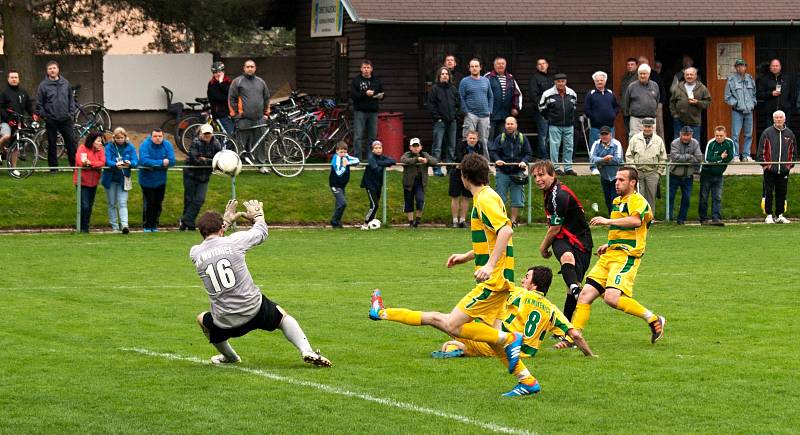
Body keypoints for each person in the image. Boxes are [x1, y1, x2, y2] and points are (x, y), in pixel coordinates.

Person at [370, 152, 526, 392]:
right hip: (501, 278)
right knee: (490, 337)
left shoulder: (484, 199)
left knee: (451, 325)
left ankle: (510, 338)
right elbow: (493, 238)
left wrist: (490, 266)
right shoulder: (487, 197)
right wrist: (468, 256)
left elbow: (505, 231)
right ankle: (527, 381)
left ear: (464, 177)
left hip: (494, 280)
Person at [190, 199, 331, 367]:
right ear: (221, 229)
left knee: (201, 319)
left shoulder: (195, 252)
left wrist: (226, 221)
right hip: (254, 309)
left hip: (225, 321)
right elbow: (261, 232)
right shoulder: (234, 242)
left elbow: (213, 242)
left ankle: (230, 357)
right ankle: (306, 350)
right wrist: (258, 215)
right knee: (283, 318)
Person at [432, 266, 595, 397]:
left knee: (451, 323)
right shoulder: (552, 309)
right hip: (525, 354)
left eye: (526, 277)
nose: (522, 280)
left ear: (534, 285)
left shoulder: (517, 293)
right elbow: (575, 335)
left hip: (503, 346)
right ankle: (459, 348)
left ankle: (455, 348)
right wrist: (590, 354)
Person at [570, 166, 666, 344]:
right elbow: (624, 230)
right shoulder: (617, 201)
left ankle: (653, 319)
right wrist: (610, 244)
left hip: (626, 257)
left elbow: (636, 221)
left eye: (621, 180)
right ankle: (572, 338)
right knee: (585, 295)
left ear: (633, 182)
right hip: (610, 255)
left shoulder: (638, 200)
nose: (617, 183)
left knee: (611, 298)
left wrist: (608, 221)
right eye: (616, 179)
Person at [532, 160, 593, 335]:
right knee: (567, 259)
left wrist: (543, 248)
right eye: (535, 176)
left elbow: (554, 228)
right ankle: (575, 288)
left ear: (553, 175)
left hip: (582, 242)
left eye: (542, 175)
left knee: (570, 289)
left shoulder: (558, 195)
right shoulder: (549, 192)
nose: (538, 179)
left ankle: (565, 329)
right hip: (563, 238)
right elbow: (556, 229)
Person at [489, 116, 532, 226]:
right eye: (508, 124)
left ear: (516, 125)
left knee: (517, 199)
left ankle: (513, 221)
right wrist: (497, 159)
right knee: (500, 198)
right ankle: (502, 220)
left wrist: (524, 161)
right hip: (503, 172)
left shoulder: (523, 138)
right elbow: (493, 152)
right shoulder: (500, 138)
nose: (510, 126)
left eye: (512, 124)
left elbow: (528, 153)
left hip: (517, 173)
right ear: (505, 125)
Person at [36, 60, 78, 170]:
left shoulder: (66, 83)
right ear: (47, 71)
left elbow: (71, 100)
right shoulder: (43, 85)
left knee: (71, 142)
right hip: (51, 119)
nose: (52, 70)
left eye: (54, 68)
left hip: (66, 118)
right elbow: (39, 104)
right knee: (52, 143)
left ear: (58, 69)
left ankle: (74, 166)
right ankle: (53, 168)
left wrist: (71, 114)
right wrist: (46, 117)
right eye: (50, 69)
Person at [181, 123, 223, 231]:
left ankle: (185, 220)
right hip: (190, 174)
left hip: (204, 176)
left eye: (209, 133)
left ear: (212, 133)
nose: (207, 135)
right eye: (205, 133)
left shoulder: (217, 144)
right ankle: (188, 224)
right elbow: (196, 160)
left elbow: (219, 160)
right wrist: (210, 160)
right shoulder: (195, 143)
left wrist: (205, 159)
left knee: (200, 199)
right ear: (200, 134)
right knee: (189, 199)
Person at [757, 110, 796, 224]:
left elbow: (793, 152)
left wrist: (789, 165)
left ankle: (780, 214)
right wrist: (765, 165)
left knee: (782, 192)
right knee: (768, 192)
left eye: (780, 117)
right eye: (776, 117)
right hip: (770, 170)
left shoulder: (789, 134)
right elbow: (761, 151)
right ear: (773, 119)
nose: (778, 119)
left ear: (784, 119)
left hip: (784, 170)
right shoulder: (767, 133)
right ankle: (768, 215)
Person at [229, 59, 270, 164]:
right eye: (248, 67)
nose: (250, 68)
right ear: (244, 68)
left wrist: (266, 114)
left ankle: (261, 165)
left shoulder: (261, 82)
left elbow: (266, 98)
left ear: (255, 68)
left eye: (252, 66)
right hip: (243, 119)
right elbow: (231, 98)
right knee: (240, 144)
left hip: (259, 118)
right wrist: (236, 114)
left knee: (260, 143)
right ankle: (236, 164)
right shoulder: (237, 81)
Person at [539, 73, 578, 175]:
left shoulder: (572, 93)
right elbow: (542, 108)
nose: (561, 83)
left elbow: (574, 107)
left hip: (569, 125)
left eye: (563, 81)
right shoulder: (548, 93)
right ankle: (555, 167)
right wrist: (550, 118)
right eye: (558, 81)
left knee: (569, 146)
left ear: (566, 82)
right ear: (555, 82)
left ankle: (568, 168)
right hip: (554, 125)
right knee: (554, 147)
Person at [101, 127, 138, 234]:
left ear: (125, 137)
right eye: (117, 138)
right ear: (114, 138)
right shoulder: (109, 146)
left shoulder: (130, 147)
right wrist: (115, 164)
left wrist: (130, 163)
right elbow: (106, 160)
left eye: (122, 137)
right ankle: (115, 226)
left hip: (123, 178)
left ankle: (125, 225)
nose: (120, 140)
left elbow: (136, 160)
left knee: (122, 203)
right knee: (112, 203)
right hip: (110, 178)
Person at [138, 128, 176, 232]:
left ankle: (154, 225)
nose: (158, 138)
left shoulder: (167, 145)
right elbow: (144, 161)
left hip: (161, 180)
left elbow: (172, 161)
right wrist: (161, 163)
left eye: (160, 136)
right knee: (149, 202)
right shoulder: (145, 145)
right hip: (146, 180)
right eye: (155, 136)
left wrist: (156, 164)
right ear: (151, 137)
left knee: (158, 203)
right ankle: (147, 225)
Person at [626, 118, 666, 212]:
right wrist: (634, 170)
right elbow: (629, 155)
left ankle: (650, 217)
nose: (647, 129)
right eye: (645, 126)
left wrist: (658, 172)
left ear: (653, 127)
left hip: (652, 172)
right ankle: (639, 216)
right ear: (642, 126)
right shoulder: (635, 139)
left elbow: (663, 158)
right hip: (638, 172)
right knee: (639, 195)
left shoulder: (658, 140)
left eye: (649, 127)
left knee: (651, 196)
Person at [584, 70, 620, 175]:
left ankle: (609, 165)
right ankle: (594, 167)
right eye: (597, 81)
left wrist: (613, 114)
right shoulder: (591, 94)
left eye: (601, 80)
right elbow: (587, 109)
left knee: (610, 146)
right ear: (594, 82)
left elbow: (616, 106)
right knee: (595, 147)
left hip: (610, 127)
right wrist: (594, 117)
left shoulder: (610, 93)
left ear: (605, 81)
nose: (599, 82)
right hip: (596, 127)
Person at [0, 69, 34, 177]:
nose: (14, 79)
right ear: (8, 79)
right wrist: (7, 118)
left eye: (16, 77)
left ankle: (13, 169)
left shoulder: (23, 93)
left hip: (18, 122)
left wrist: (33, 115)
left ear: (18, 79)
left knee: (16, 145)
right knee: (6, 136)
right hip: (6, 122)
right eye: (12, 77)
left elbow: (29, 106)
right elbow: (0, 108)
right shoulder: (4, 93)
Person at [699, 126, 735, 226]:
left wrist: (717, 159)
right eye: (717, 136)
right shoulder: (711, 143)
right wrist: (720, 157)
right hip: (706, 173)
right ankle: (703, 219)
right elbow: (707, 159)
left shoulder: (729, 143)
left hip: (719, 174)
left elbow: (731, 157)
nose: (719, 137)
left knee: (717, 197)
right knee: (704, 197)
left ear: (725, 135)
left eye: (721, 136)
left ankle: (716, 218)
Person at [428, 66, 460, 175]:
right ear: (439, 76)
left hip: (452, 122)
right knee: (437, 146)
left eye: (446, 74)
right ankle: (436, 168)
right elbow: (431, 106)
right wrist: (438, 118)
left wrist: (455, 116)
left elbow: (458, 104)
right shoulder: (434, 89)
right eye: (442, 74)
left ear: (449, 76)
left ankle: (450, 168)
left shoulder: (453, 89)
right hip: (440, 122)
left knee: (451, 146)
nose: (445, 75)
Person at [668, 126, 703, 224]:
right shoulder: (674, 143)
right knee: (670, 197)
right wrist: (689, 157)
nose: (686, 137)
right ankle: (669, 218)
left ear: (691, 135)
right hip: (674, 174)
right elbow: (675, 157)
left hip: (688, 176)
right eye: (684, 135)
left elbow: (699, 158)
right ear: (680, 134)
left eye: (688, 135)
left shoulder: (695, 143)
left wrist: (685, 159)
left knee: (686, 198)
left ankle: (681, 219)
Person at [400, 137, 438, 227]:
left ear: (421, 147)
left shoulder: (425, 154)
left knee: (420, 200)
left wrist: (427, 160)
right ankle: (410, 222)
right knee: (408, 202)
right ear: (410, 147)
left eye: (417, 146)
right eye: (414, 146)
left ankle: (417, 221)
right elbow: (403, 160)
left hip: (420, 183)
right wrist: (417, 160)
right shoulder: (407, 154)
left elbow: (435, 161)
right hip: (408, 183)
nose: (416, 148)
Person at [459, 58, 492, 158]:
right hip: (471, 115)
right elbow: (461, 97)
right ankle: (466, 162)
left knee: (484, 141)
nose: (474, 68)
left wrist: (490, 110)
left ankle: (485, 164)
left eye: (476, 66)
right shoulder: (464, 81)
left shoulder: (486, 81)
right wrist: (466, 112)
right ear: (469, 68)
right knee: (468, 140)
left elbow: (491, 96)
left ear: (480, 68)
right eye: (472, 66)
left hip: (485, 115)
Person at [724, 59, 757, 161]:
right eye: (738, 66)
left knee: (748, 134)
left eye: (742, 66)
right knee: (735, 135)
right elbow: (727, 97)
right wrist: (736, 103)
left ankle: (746, 155)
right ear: (735, 68)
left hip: (749, 111)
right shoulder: (731, 80)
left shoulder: (750, 78)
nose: (740, 68)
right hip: (737, 111)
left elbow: (754, 94)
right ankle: (736, 155)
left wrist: (753, 103)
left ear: (745, 67)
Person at [350, 59, 384, 159]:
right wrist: (365, 93)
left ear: (371, 69)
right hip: (360, 111)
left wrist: (381, 96)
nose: (366, 69)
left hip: (373, 112)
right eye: (364, 67)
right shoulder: (356, 80)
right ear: (361, 69)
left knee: (372, 137)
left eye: (368, 67)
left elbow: (382, 92)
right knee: (358, 136)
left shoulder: (376, 80)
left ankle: (371, 159)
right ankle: (357, 159)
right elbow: (353, 95)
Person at [73, 132, 106, 233]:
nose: (100, 143)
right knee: (85, 205)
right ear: (92, 141)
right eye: (98, 141)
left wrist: (91, 163)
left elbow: (102, 162)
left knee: (89, 205)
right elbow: (80, 161)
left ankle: (85, 226)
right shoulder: (82, 148)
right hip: (82, 181)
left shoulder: (100, 151)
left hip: (94, 182)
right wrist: (88, 164)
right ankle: (81, 226)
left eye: (101, 141)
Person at [360, 140, 396, 229]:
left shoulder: (382, 157)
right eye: (376, 148)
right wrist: (385, 164)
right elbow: (375, 169)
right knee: (375, 205)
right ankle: (365, 223)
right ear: (372, 150)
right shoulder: (371, 157)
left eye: (380, 147)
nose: (378, 150)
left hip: (378, 185)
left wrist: (381, 163)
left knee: (374, 205)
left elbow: (393, 161)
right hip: (370, 185)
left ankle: (371, 222)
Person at [449, 131, 481, 228]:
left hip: (470, 174)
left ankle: (463, 220)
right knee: (455, 197)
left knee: (466, 197)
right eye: (470, 138)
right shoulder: (460, 145)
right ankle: (455, 220)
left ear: (477, 139)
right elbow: (459, 157)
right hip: (457, 173)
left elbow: (479, 158)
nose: (472, 140)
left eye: (474, 138)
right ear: (466, 138)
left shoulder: (480, 146)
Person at [485, 57, 522, 141]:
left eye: (502, 64)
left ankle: (500, 154)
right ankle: (489, 154)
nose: (500, 65)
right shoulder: (488, 77)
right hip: (490, 115)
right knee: (489, 137)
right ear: (494, 65)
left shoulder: (510, 78)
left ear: (505, 65)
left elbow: (517, 94)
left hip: (505, 114)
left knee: (502, 138)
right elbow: (482, 94)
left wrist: (515, 107)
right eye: (498, 64)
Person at [669, 67, 711, 142]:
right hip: (679, 120)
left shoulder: (702, 88)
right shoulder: (678, 87)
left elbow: (708, 102)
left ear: (695, 76)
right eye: (687, 74)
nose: (689, 76)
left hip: (694, 120)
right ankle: (678, 154)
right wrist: (674, 114)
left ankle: (694, 154)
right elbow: (672, 102)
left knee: (695, 142)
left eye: (691, 74)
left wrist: (697, 102)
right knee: (678, 141)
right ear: (684, 76)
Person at [589, 126, 624, 214]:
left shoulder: (617, 144)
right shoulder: (596, 144)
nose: (604, 136)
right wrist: (605, 159)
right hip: (604, 176)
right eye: (602, 134)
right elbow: (592, 159)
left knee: (615, 199)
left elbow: (618, 160)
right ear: (599, 135)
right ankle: (611, 217)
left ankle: (616, 218)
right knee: (608, 199)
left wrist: (600, 162)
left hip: (616, 176)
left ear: (610, 135)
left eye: (606, 134)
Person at [623, 64, 660, 138]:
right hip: (636, 120)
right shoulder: (632, 86)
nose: (642, 76)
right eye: (640, 74)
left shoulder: (655, 85)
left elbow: (657, 100)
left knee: (651, 141)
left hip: (651, 119)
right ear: (638, 74)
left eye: (644, 74)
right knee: (635, 140)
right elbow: (626, 103)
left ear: (649, 74)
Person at [329, 142, 360, 228]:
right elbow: (339, 173)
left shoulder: (346, 157)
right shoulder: (336, 159)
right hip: (335, 185)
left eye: (344, 152)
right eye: (341, 152)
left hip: (342, 185)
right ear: (337, 151)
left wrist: (348, 163)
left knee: (339, 204)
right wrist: (344, 166)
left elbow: (357, 160)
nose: (343, 154)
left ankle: (336, 224)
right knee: (343, 203)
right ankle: (334, 221)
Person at [757, 59, 794, 128]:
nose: (775, 67)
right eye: (773, 66)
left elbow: (792, 94)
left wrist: (788, 105)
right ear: (770, 68)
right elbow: (759, 94)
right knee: (770, 134)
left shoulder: (787, 79)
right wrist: (771, 93)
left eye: (777, 66)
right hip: (770, 112)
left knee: (784, 133)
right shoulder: (764, 79)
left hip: (784, 112)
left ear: (780, 67)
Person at [529, 58, 554, 160]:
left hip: (553, 111)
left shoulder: (552, 78)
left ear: (547, 65)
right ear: (537, 67)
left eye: (543, 63)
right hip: (541, 112)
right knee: (543, 135)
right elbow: (533, 96)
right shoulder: (534, 79)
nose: (542, 65)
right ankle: (544, 157)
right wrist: (543, 106)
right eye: (539, 64)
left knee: (551, 135)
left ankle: (549, 156)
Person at [207, 61, 234, 135]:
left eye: (219, 72)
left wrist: (221, 82)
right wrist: (221, 82)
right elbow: (219, 98)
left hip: (231, 113)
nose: (217, 74)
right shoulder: (212, 84)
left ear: (223, 72)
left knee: (233, 134)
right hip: (220, 114)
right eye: (215, 72)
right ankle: (224, 147)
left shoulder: (228, 81)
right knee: (230, 134)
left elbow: (231, 94)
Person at [619, 58, 639, 139]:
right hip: (625, 109)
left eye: (632, 64)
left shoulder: (638, 77)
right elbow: (622, 92)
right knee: (628, 132)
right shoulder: (624, 77)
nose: (630, 66)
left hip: (634, 109)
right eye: (628, 65)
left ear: (636, 65)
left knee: (635, 133)